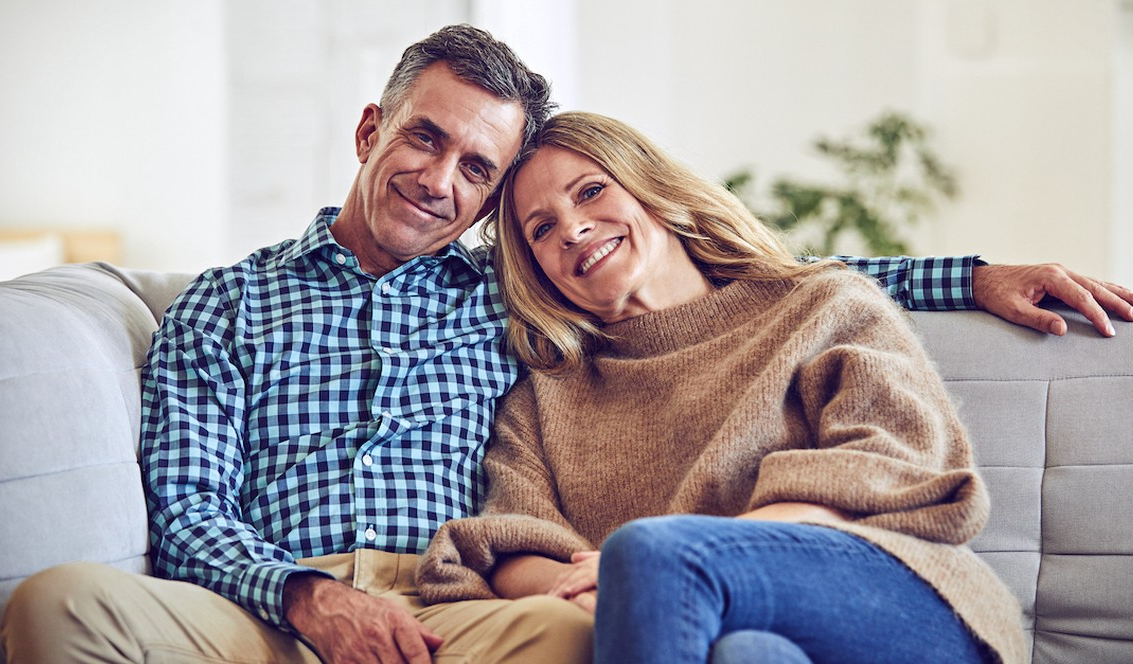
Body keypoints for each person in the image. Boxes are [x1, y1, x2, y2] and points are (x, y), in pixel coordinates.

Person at [0, 23, 1126, 664]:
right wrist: (306, 599)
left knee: (581, 631)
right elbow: (189, 509)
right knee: (53, 604)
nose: (440, 179)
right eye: (423, 138)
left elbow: (752, 286)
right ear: (368, 131)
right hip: (266, 610)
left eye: (479, 169)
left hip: (455, 616)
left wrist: (968, 274)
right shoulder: (223, 308)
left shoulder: (512, 285)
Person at [414, 111, 1027, 664]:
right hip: (704, 630)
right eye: (541, 229)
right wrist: (571, 585)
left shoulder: (821, 305)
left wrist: (658, 563)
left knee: (651, 555)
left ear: (652, 189)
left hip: (899, 601)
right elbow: (512, 539)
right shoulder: (546, 396)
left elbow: (891, 462)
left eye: (592, 191)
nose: (572, 229)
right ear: (535, 271)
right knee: (747, 655)